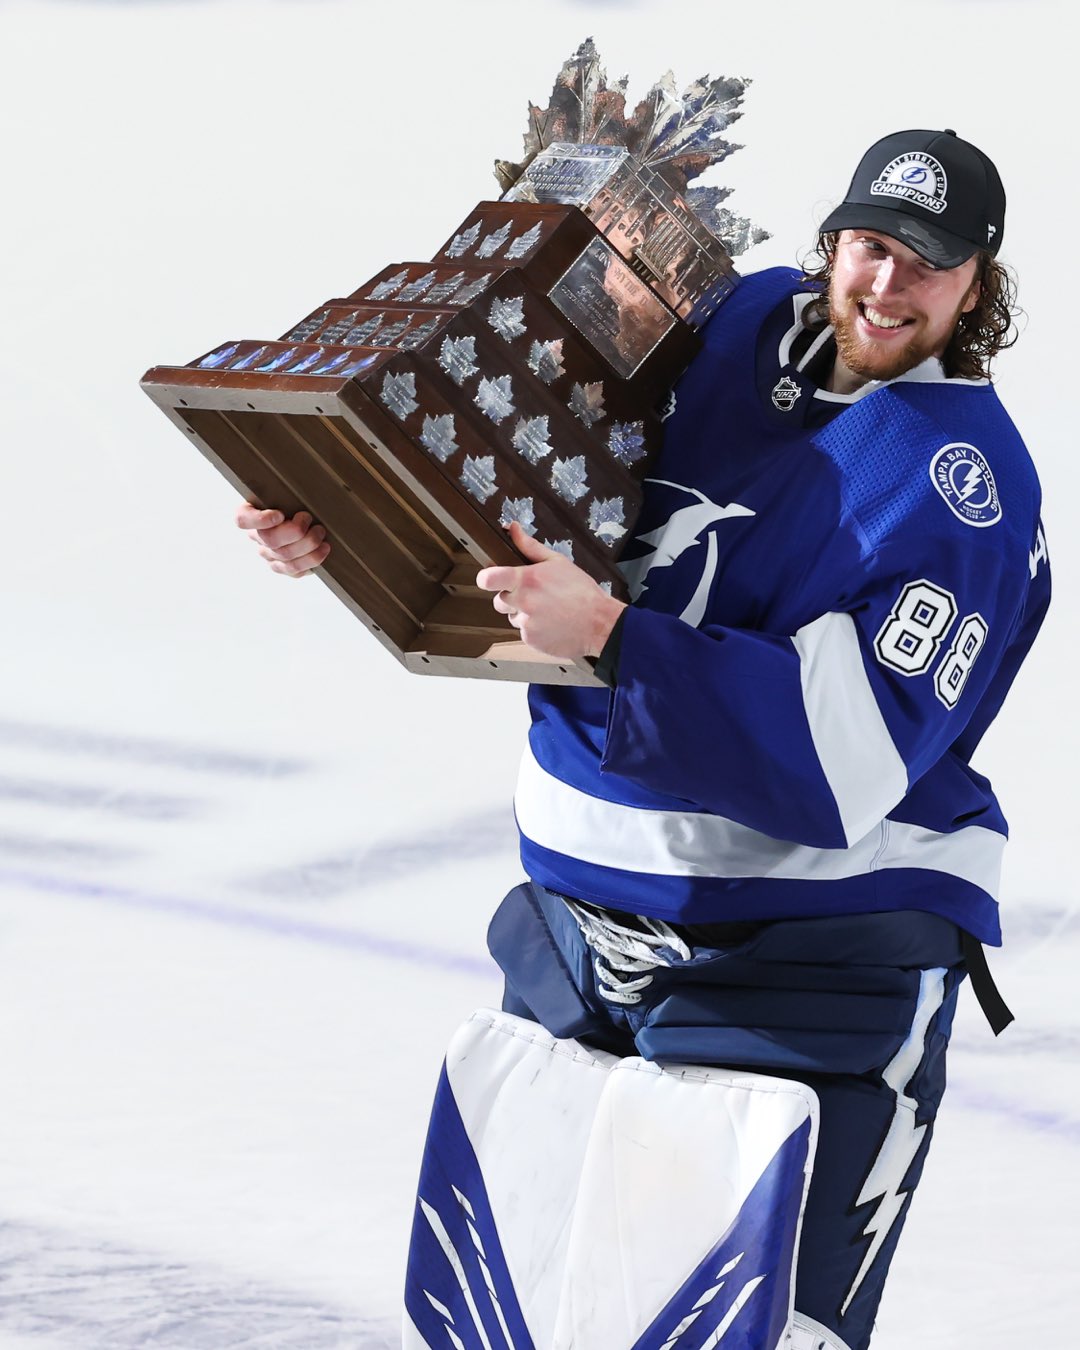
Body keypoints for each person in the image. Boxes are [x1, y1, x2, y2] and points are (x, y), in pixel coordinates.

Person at [237, 129, 1050, 1349]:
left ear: (975, 283)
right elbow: (525, 461)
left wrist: (618, 635)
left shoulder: (963, 492)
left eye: (925, 266)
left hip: (801, 976)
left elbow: (838, 764)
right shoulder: (738, 323)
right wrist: (344, 519)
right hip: (570, 930)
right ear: (831, 241)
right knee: (506, 1317)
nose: (885, 286)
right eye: (871, 247)